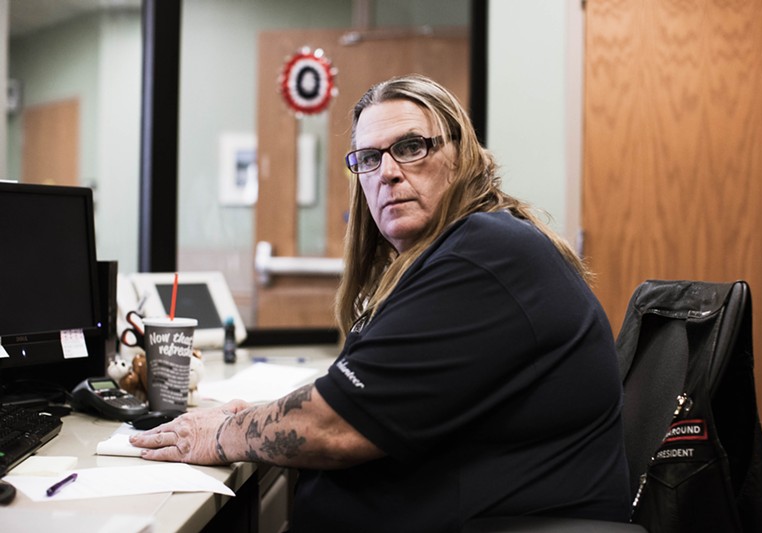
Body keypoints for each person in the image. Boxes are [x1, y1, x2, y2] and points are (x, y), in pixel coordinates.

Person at [131, 74, 631, 532]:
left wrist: (220, 434)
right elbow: (367, 393)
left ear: (462, 156)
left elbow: (335, 426)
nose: (387, 172)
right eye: (368, 158)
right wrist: (257, 414)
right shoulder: (451, 254)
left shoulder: (484, 254)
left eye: (411, 147)